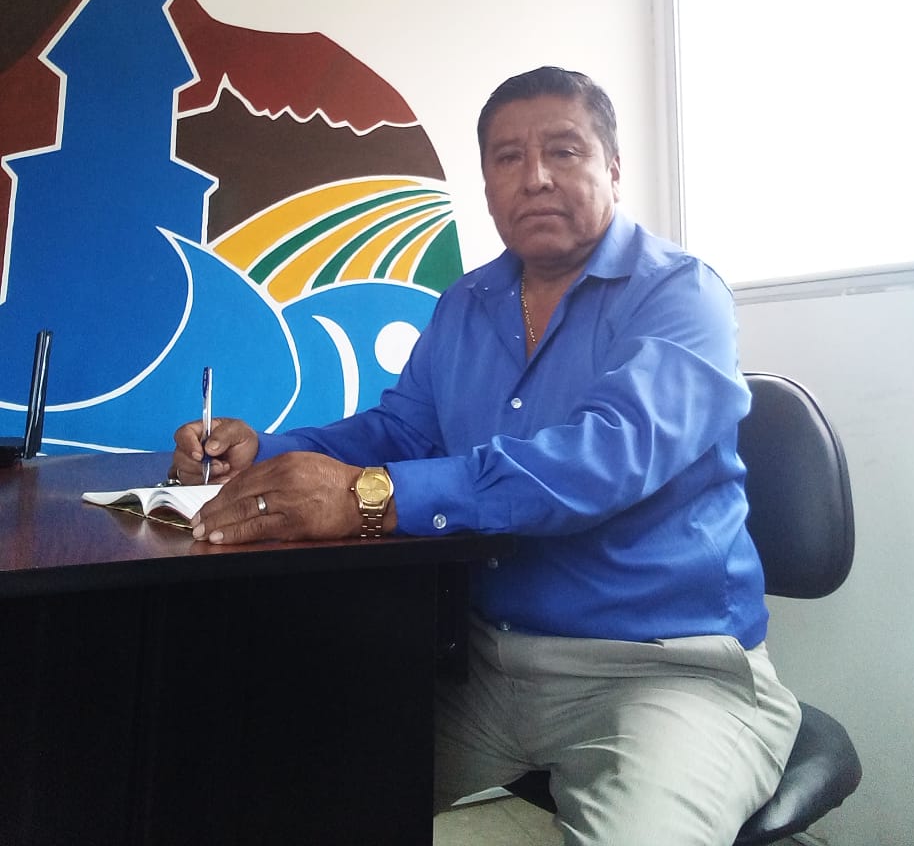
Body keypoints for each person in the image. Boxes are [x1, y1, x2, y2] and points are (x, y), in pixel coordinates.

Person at [171, 65, 800, 846]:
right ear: (488, 185)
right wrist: (264, 453)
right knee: (288, 788)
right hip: (484, 662)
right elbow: (400, 432)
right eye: (508, 158)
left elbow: (598, 461)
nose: (534, 177)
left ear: (613, 167)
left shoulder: (681, 294)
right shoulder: (467, 304)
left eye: (563, 151)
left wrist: (368, 496)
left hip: (667, 672)